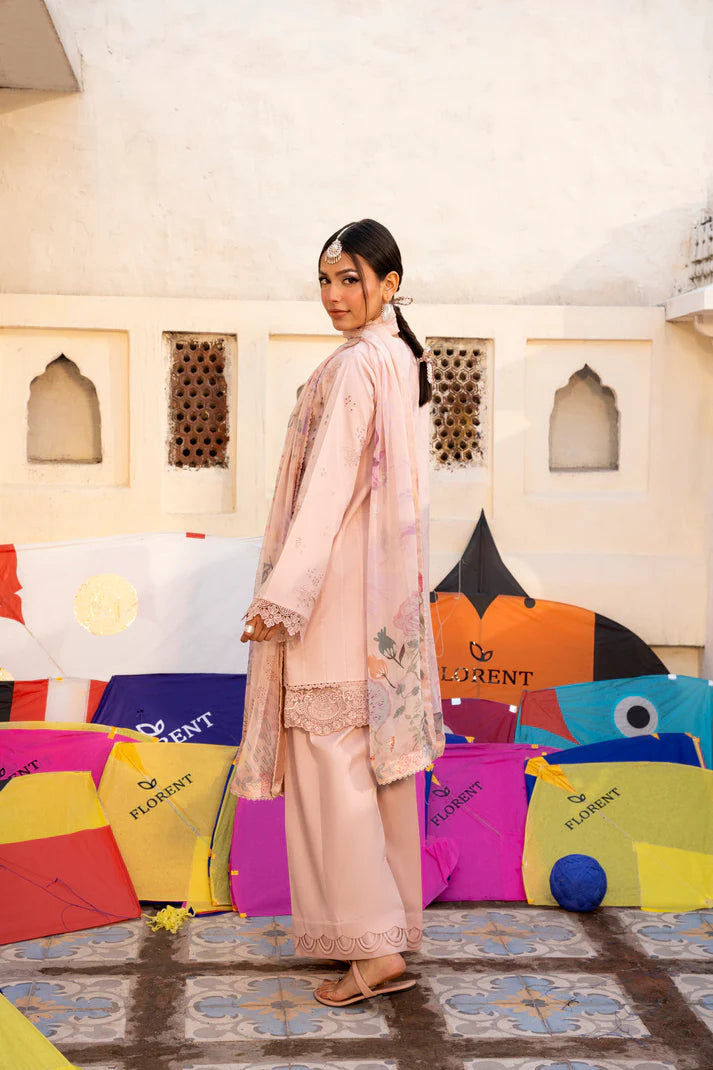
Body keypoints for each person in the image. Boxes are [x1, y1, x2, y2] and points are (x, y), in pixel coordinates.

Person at [231, 218, 444, 1007]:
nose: (333, 294)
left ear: (390, 284)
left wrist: (282, 596)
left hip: (333, 595)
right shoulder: (400, 358)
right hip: (380, 599)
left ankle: (372, 951)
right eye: (325, 279)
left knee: (333, 772)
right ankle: (384, 931)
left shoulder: (358, 365)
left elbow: (325, 491)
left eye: (350, 278)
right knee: (372, 771)